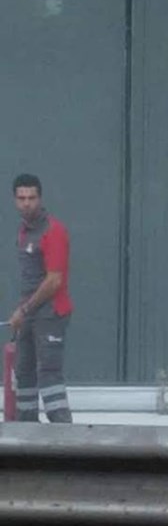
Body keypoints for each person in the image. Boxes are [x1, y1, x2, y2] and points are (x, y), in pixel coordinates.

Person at [10, 174, 72, 424]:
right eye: (21, 198)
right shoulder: (24, 231)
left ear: (40, 198)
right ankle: (25, 430)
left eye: (32, 198)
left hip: (51, 313)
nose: (27, 203)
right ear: (15, 200)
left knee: (49, 375)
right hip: (28, 313)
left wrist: (24, 310)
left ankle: (63, 433)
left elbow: (54, 281)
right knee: (24, 372)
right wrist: (23, 311)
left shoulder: (53, 231)